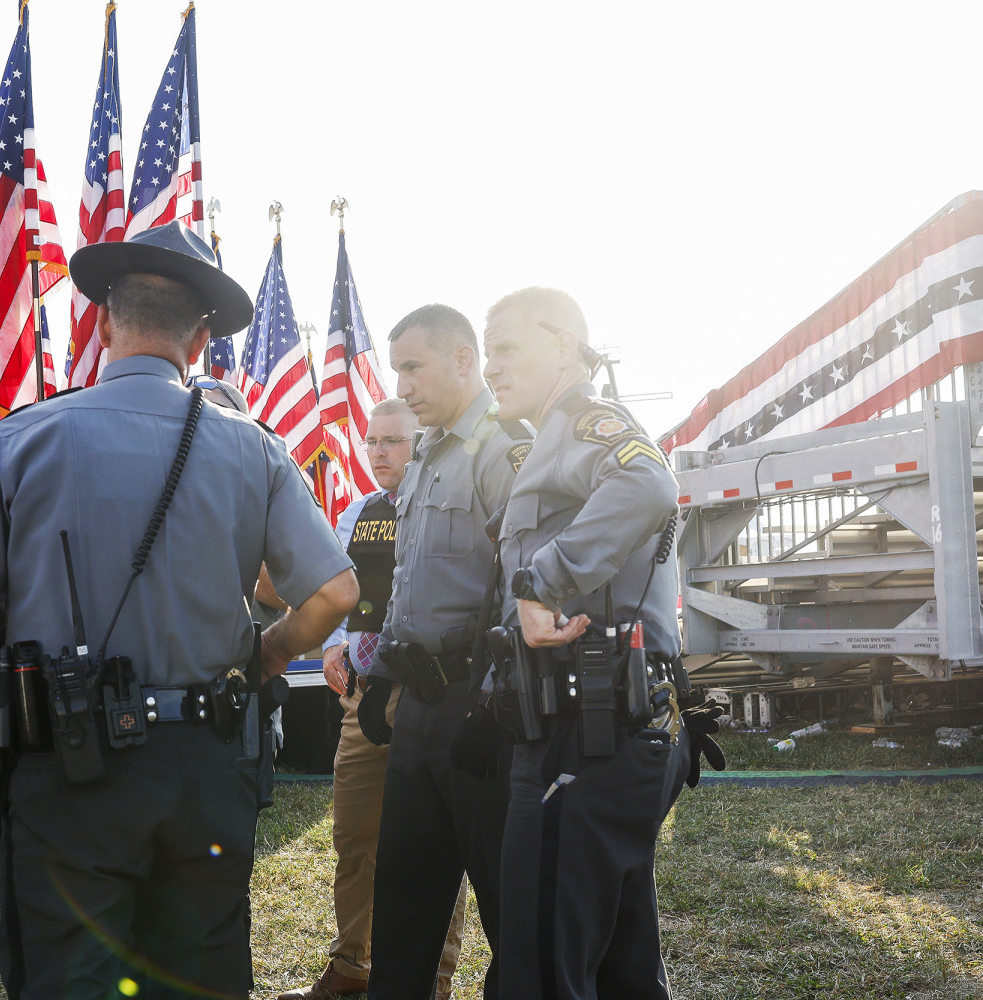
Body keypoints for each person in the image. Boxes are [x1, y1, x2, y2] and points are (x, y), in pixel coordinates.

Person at [0, 220, 359, 1000]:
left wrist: (36, 599)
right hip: (208, 761)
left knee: (69, 978)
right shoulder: (253, 447)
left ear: (101, 322)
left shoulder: (24, 438)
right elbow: (335, 594)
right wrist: (265, 653)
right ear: (199, 337)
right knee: (200, 976)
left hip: (73, 762)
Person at [480, 287, 725, 1000]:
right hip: (601, 734)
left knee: (543, 968)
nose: (492, 367)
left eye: (506, 347)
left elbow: (649, 482)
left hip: (583, 736)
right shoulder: (549, 438)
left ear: (563, 343)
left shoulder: (585, 422)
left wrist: (541, 583)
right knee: (621, 969)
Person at [361, 304, 530, 1000]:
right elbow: (408, 579)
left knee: (506, 906)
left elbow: (527, 586)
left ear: (464, 359)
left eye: (413, 366)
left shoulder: (503, 447)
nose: (401, 383)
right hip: (419, 707)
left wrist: (496, 704)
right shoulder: (427, 448)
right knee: (403, 899)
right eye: (396, 367)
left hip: (478, 708)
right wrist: (380, 677)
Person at [279, 397, 469, 1000]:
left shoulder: (446, 509)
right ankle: (352, 967)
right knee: (356, 838)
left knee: (438, 847)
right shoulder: (358, 513)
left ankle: (433, 980)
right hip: (363, 701)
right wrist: (334, 643)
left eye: (394, 440)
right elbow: (335, 590)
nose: (379, 452)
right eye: (371, 440)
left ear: (424, 442)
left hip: (430, 696)